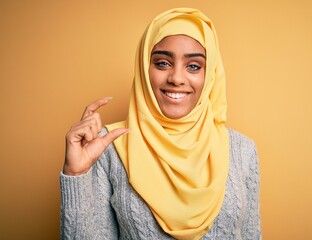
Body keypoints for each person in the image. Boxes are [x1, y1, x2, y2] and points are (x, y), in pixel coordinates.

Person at [60, 8, 261, 240]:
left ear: (211, 74)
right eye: (163, 63)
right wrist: (76, 174)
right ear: (145, 69)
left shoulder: (243, 150)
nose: (176, 78)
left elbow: (251, 235)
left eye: (194, 66)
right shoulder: (108, 147)